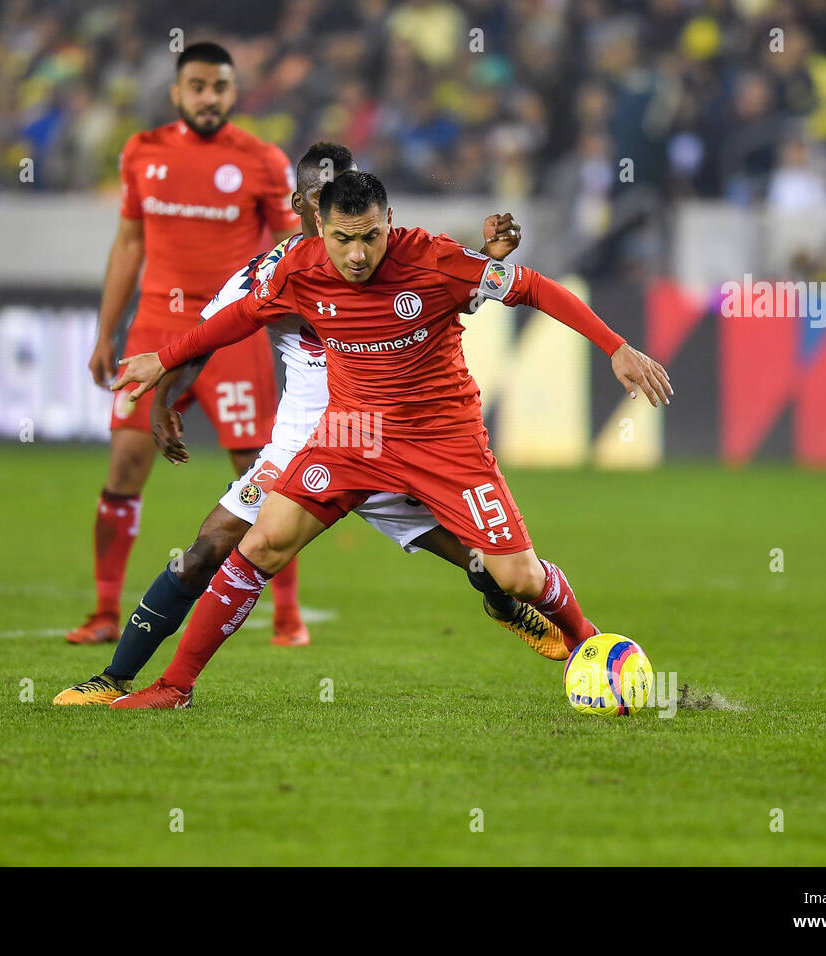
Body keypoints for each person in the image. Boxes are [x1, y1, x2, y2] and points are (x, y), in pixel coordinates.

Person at [109, 170, 672, 709]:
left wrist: (616, 346)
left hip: (442, 437)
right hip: (351, 433)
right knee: (260, 544)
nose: (357, 255)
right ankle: (173, 687)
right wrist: (162, 359)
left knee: (516, 575)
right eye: (343, 239)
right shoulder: (296, 270)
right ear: (319, 229)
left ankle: (588, 643)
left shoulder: (434, 259)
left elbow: (533, 288)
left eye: (371, 237)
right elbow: (237, 319)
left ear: (390, 223)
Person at [68, 41, 304, 646]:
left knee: (262, 474)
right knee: (123, 463)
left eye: (220, 87)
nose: (209, 97)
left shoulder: (262, 161)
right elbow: (128, 245)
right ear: (177, 92)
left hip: (234, 334)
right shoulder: (142, 153)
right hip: (152, 331)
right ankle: (101, 611)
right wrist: (105, 332)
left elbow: (294, 253)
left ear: (234, 92)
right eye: (197, 86)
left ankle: (287, 614)